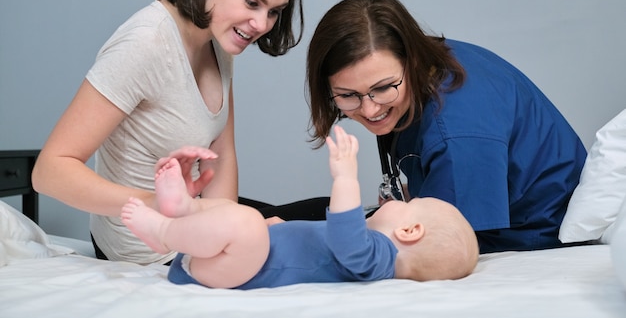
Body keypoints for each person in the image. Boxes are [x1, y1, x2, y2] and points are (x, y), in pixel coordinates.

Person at [31, 0, 308, 265]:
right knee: (313, 229)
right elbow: (49, 171)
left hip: (193, 229)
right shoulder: (146, 43)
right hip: (145, 249)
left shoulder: (220, 40)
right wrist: (153, 203)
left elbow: (222, 157)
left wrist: (226, 228)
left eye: (274, 11)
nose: (260, 23)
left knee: (326, 216)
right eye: (252, 2)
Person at [306, 0, 587, 254]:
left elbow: (443, 243)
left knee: (318, 235)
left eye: (383, 88)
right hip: (480, 205)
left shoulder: (459, 136)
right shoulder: (428, 59)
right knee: (305, 216)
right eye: (348, 95)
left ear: (412, 61)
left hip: (525, 236)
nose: (368, 110)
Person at [121, 125, 479, 289]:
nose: (402, 199)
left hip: (239, 271)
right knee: (241, 219)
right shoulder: (373, 252)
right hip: (234, 262)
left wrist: (345, 179)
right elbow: (319, 245)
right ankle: (184, 209)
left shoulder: (378, 260)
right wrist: (280, 234)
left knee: (245, 222)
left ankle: (165, 233)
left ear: (410, 231)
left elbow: (346, 239)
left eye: (410, 203)